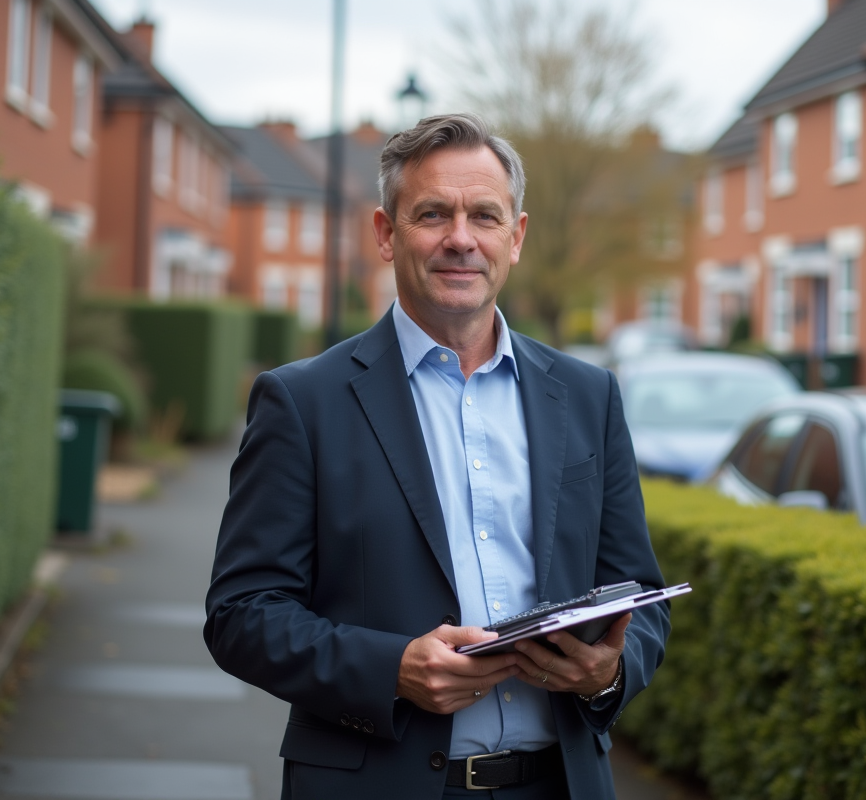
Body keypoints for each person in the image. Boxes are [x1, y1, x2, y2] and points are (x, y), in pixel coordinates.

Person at [204, 112, 670, 799]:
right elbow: (242, 614)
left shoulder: (588, 396)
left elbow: (641, 595)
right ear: (386, 234)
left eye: (484, 215)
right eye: (432, 214)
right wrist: (390, 666)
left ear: (516, 236)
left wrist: (610, 669)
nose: (461, 239)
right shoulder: (303, 402)